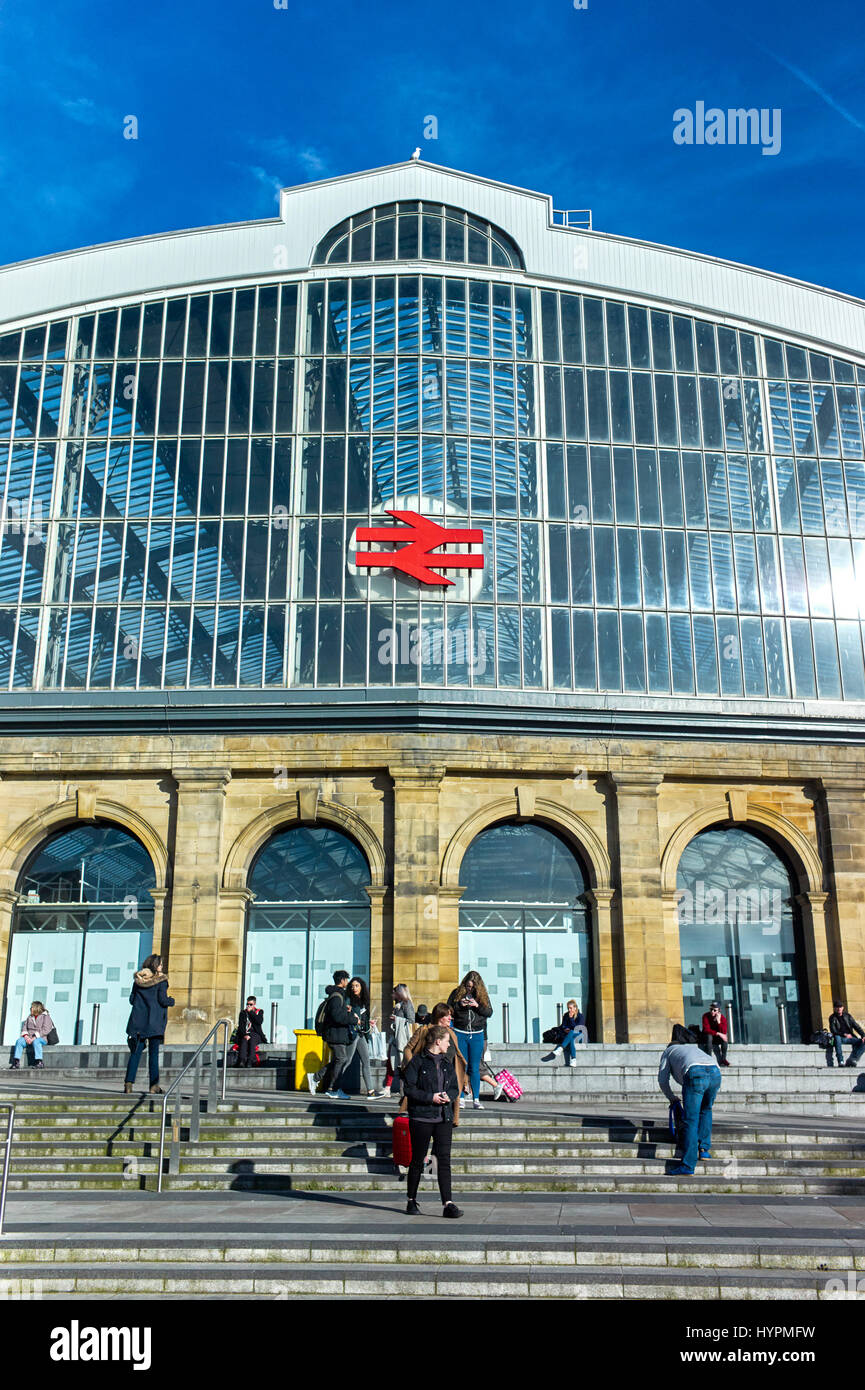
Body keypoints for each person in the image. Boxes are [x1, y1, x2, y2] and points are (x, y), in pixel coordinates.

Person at [402, 1025, 463, 1218]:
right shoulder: (418, 1062)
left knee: (443, 1159)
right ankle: (411, 1200)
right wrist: (431, 1097)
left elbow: (454, 1087)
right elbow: (409, 1089)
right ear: (437, 1041)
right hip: (421, 1117)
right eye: (446, 1041)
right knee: (418, 1160)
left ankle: (448, 1203)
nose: (448, 1044)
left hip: (443, 1117)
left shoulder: (446, 1063)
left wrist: (448, 1097)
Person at [658, 1023, 722, 1175]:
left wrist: (672, 1098)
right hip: (715, 1072)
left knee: (691, 1119)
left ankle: (688, 1165)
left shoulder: (668, 1052)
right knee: (706, 1110)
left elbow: (662, 1080)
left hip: (695, 1072)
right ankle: (704, 1149)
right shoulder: (692, 1049)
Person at [401, 1002, 468, 1121]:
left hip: (446, 1080)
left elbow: (457, 1058)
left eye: (450, 1015)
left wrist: (464, 1081)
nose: (450, 1018)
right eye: (447, 1015)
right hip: (426, 1080)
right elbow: (408, 1049)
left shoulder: (451, 1034)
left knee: (447, 1116)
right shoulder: (424, 1030)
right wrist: (414, 1066)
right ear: (439, 1016)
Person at [124, 955, 175, 1095]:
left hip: (138, 1022)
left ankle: (128, 1084)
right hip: (154, 1023)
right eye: (160, 965)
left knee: (135, 1053)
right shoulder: (161, 981)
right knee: (153, 1055)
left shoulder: (138, 980)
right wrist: (172, 1001)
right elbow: (163, 1000)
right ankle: (154, 1086)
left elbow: (132, 999)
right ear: (155, 966)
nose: (162, 967)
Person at [447, 971, 493, 1110]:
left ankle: (476, 1099)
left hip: (477, 1034)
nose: (469, 989)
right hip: (460, 1033)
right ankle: (460, 1097)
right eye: (467, 986)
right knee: (461, 1066)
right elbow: (448, 1009)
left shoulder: (482, 996)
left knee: (474, 1068)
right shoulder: (456, 993)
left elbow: (489, 1012)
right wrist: (459, 1005)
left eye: (472, 987)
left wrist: (477, 1006)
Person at [315, 971, 361, 1099]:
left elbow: (337, 1013)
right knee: (341, 1059)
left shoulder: (337, 995)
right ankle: (333, 1088)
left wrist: (347, 1011)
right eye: (346, 980)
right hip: (335, 1033)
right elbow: (336, 1016)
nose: (348, 982)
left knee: (339, 1059)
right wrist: (353, 1019)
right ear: (342, 981)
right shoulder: (336, 996)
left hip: (337, 1033)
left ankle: (321, 1081)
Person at [377, 984, 415, 1098]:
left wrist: (397, 1019)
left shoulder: (407, 1004)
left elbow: (411, 1021)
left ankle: (404, 1089)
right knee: (391, 1062)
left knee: (402, 1064)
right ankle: (388, 1088)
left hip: (403, 1040)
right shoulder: (398, 1005)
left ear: (399, 993)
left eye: (394, 992)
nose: (392, 995)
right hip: (395, 1038)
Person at [348, 976, 377, 1098]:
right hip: (352, 1033)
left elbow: (364, 1018)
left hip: (361, 1034)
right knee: (345, 1060)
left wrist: (369, 1022)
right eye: (352, 986)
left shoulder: (365, 1001)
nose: (354, 988)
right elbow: (348, 1015)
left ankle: (371, 1091)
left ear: (362, 987)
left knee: (366, 1061)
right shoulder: (349, 1000)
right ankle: (332, 1086)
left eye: (357, 985)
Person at [9, 1000, 55, 1070]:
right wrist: (26, 1036)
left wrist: (34, 1037)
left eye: (32, 1007)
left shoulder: (45, 1016)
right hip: (29, 1038)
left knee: (36, 1042)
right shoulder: (30, 1017)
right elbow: (24, 1027)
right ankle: (16, 1062)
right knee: (19, 1041)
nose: (30, 1008)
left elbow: (46, 1029)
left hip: (41, 1038)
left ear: (36, 1008)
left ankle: (39, 1062)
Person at [542, 1000, 586, 1065]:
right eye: (568, 1008)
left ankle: (561, 1048)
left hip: (580, 1036)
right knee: (571, 1038)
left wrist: (571, 1019)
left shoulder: (580, 1016)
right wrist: (565, 1029)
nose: (569, 1010)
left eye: (571, 1008)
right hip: (570, 1035)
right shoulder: (566, 1015)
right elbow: (563, 1025)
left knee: (571, 1032)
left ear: (575, 1008)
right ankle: (573, 1060)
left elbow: (578, 1028)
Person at [828, 1000, 865, 1068]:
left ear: (843, 1008)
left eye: (840, 1007)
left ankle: (853, 1059)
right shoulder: (832, 1017)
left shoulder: (847, 1016)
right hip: (841, 1038)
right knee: (837, 1037)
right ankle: (840, 1061)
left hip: (850, 1038)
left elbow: (856, 1026)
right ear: (834, 1008)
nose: (839, 1008)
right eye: (837, 1007)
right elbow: (833, 1030)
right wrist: (844, 1034)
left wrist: (863, 1035)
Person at [236, 995, 266, 1067]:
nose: (248, 1006)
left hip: (256, 1034)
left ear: (254, 1004)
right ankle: (242, 1061)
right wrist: (244, 1034)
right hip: (246, 1033)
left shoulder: (259, 1012)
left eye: (251, 1004)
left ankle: (250, 1061)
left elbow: (259, 1022)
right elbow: (241, 1026)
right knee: (244, 1040)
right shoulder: (243, 1013)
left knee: (252, 1039)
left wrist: (251, 1013)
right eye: (247, 1004)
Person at [700, 1002, 730, 1067]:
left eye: (715, 1010)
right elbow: (706, 1029)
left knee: (724, 1039)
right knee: (709, 1036)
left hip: (716, 1038)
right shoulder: (705, 1016)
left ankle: (723, 1059)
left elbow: (724, 1032)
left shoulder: (723, 1019)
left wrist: (719, 1022)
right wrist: (718, 1033)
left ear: (719, 1011)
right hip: (707, 1037)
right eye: (711, 1009)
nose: (712, 1011)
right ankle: (709, 1058)